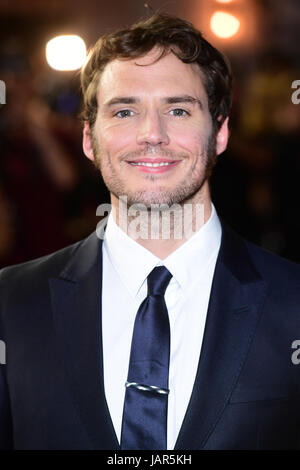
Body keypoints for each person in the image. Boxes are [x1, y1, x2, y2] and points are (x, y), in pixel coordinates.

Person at [0, 13, 300, 451]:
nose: (152, 134)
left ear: (220, 131)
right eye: (125, 111)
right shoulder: (10, 304)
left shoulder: (293, 303)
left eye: (178, 110)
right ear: (89, 138)